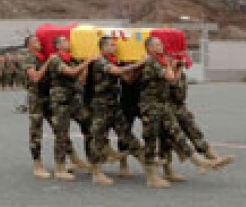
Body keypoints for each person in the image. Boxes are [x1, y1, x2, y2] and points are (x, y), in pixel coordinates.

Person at [138, 36, 217, 188]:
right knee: (151, 140)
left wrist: (176, 66)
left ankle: (199, 162)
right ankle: (151, 177)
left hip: (163, 106)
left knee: (177, 134)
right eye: (156, 44)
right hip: (151, 107)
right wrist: (169, 65)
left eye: (160, 43)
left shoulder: (160, 62)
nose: (160, 46)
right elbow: (169, 76)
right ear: (149, 48)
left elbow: (173, 81)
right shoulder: (151, 62)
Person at [87, 36, 147, 185]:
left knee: (127, 134)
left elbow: (128, 79)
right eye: (112, 45)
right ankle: (96, 172)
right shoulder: (99, 61)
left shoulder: (112, 61)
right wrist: (140, 62)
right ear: (103, 47)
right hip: (101, 107)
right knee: (98, 139)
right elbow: (117, 71)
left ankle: (148, 162)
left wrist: (137, 66)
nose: (115, 47)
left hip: (114, 105)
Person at [45, 36, 93, 181]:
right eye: (65, 41)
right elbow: (71, 73)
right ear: (58, 46)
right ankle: (60, 168)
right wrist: (87, 61)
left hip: (72, 101)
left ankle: (92, 160)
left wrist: (84, 63)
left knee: (89, 124)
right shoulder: (55, 59)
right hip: (60, 102)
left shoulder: (70, 59)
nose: (68, 43)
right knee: (61, 134)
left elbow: (81, 79)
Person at [23, 36, 52, 179]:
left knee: (60, 127)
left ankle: (72, 159)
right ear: (29, 45)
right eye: (36, 41)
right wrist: (48, 63)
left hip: (47, 97)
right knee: (36, 132)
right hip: (36, 99)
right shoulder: (29, 58)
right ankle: (37, 165)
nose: (39, 42)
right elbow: (35, 78)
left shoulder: (41, 57)